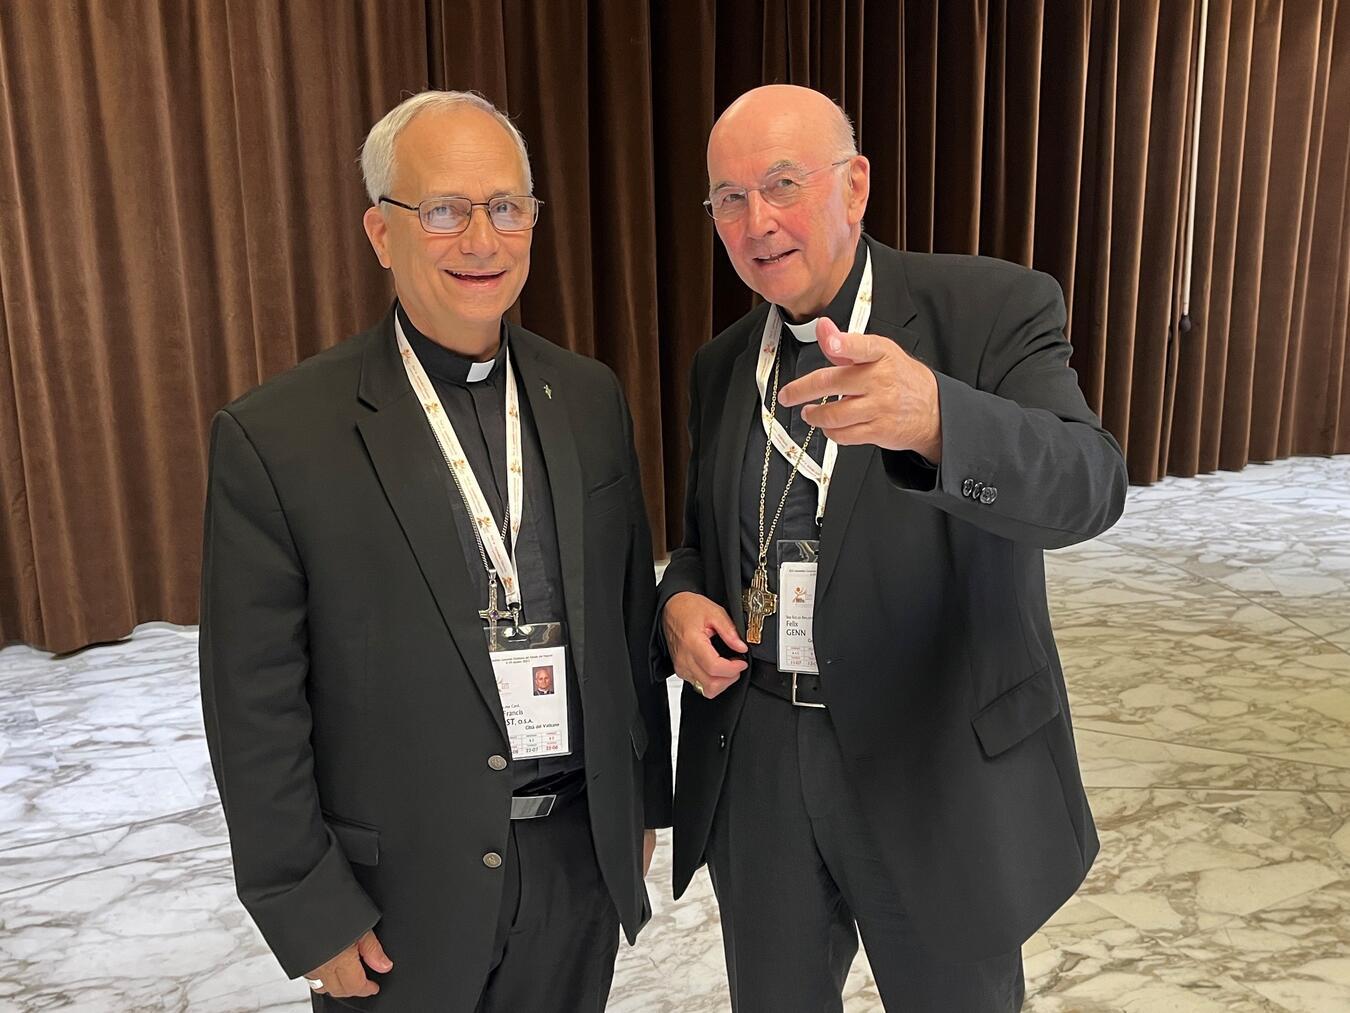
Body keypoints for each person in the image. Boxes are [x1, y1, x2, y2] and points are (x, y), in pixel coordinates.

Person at [654, 84, 1128, 1012]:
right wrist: (678, 599)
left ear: (856, 185)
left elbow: (1090, 485)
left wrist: (942, 421)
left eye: (783, 184)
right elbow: (708, 547)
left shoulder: (988, 307)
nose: (758, 222)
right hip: (763, 765)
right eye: (729, 199)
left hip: (935, 757)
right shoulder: (721, 365)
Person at [200, 90, 671, 1012]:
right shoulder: (279, 435)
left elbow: (622, 614)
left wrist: (637, 801)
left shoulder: (589, 397)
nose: (482, 241)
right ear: (382, 232)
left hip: (576, 866)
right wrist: (309, 905)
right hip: (395, 898)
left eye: (507, 208)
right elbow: (250, 700)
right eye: (445, 211)